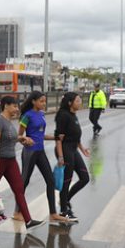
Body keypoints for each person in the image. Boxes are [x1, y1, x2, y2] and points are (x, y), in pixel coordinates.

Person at [0, 95, 44, 230]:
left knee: (19, 190)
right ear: (6, 106)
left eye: (17, 106)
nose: (17, 109)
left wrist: (22, 139)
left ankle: (28, 221)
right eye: (14, 106)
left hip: (10, 161)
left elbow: (9, 139)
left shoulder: (8, 121)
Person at [15, 91, 72, 225]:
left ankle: (53, 214)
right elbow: (19, 137)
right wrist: (26, 140)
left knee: (51, 181)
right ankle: (17, 212)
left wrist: (55, 137)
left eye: (44, 101)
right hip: (30, 152)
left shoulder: (41, 114)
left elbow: (40, 134)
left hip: (40, 151)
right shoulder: (26, 116)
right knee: (24, 181)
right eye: (41, 101)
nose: (44, 103)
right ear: (33, 101)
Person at [54, 92, 90, 222]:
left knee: (85, 178)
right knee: (66, 181)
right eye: (77, 101)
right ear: (70, 103)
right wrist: (60, 157)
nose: (79, 103)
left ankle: (66, 200)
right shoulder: (63, 116)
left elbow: (75, 136)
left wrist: (82, 148)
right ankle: (64, 211)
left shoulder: (73, 115)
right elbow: (58, 139)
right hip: (64, 150)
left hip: (73, 149)